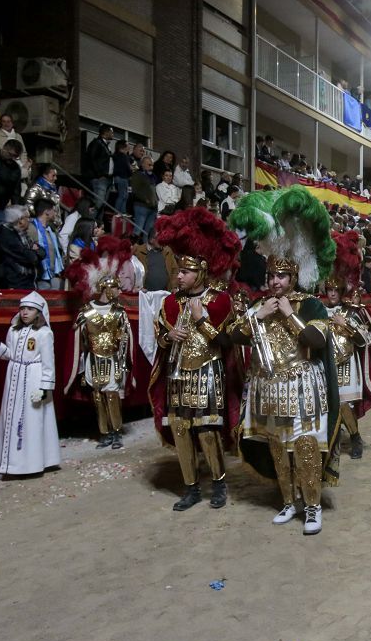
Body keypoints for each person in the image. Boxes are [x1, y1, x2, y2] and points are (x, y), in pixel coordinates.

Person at [227, 184, 340, 534]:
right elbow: (231, 337)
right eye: (272, 275)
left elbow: (317, 339)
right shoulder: (259, 305)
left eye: (282, 276)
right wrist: (257, 316)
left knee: (305, 446)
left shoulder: (311, 304)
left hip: (304, 387)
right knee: (278, 446)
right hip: (268, 387)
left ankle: (312, 507)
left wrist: (290, 314)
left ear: (294, 276)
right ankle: (288, 502)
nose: (275, 281)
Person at [151, 208, 242, 511]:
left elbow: (228, 341)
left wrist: (202, 321)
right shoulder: (168, 302)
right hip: (178, 374)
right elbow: (160, 339)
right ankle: (190, 487)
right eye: (178, 271)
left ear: (200, 271)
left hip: (208, 372)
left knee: (206, 429)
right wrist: (168, 338)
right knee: (180, 427)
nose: (179, 275)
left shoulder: (220, 300)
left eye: (185, 272)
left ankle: (218, 481)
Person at [63, 253, 134, 450]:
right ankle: (104, 432)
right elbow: (77, 337)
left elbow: (127, 338)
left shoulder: (119, 312)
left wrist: (124, 360)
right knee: (98, 396)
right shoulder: (86, 311)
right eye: (116, 287)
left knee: (112, 395)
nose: (119, 290)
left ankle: (116, 431)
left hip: (113, 359)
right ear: (106, 288)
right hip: (93, 360)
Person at [0, 292, 61, 476]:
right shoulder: (13, 331)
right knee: (11, 418)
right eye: (22, 309)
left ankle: (32, 463)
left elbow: (48, 364)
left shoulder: (44, 333)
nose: (25, 312)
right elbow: (10, 355)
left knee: (31, 420)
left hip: (33, 379)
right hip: (14, 377)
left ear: (38, 312)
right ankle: (11, 462)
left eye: (30, 309)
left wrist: (45, 388)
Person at [324, 229, 371, 459]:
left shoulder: (352, 311)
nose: (332, 293)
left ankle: (355, 437)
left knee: (345, 405)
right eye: (329, 289)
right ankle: (331, 442)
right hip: (326, 363)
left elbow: (365, 339)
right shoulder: (320, 309)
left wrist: (344, 324)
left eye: (336, 289)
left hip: (347, 363)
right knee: (327, 407)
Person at [0, 205, 44, 290]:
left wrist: (35, 252)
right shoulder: (7, 236)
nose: (30, 220)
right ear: (20, 220)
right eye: (27, 217)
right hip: (16, 284)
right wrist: (35, 252)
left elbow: (42, 252)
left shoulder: (23, 233)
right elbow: (30, 257)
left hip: (29, 282)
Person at [27, 199, 64, 290]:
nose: (55, 214)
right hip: (40, 275)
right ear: (46, 212)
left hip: (52, 274)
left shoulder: (50, 230)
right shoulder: (32, 228)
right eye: (54, 211)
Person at [133, 227, 178, 292]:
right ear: (151, 240)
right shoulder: (138, 252)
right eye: (160, 238)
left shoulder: (167, 251)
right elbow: (133, 272)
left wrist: (174, 286)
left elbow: (175, 270)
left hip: (165, 293)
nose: (162, 240)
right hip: (145, 295)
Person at [84, 125, 114, 221]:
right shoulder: (96, 143)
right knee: (98, 202)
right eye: (111, 132)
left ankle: (97, 225)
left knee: (103, 204)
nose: (113, 134)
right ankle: (89, 223)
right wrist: (99, 174)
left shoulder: (105, 145)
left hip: (107, 179)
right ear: (105, 132)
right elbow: (91, 159)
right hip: (100, 179)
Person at [130, 156, 157, 237]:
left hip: (152, 208)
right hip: (141, 207)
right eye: (149, 165)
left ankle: (146, 249)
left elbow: (153, 192)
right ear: (142, 165)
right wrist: (146, 200)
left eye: (152, 165)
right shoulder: (138, 175)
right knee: (138, 230)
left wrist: (156, 202)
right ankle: (132, 248)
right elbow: (135, 191)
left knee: (148, 233)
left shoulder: (153, 177)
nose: (151, 167)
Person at [111, 141, 133, 216]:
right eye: (127, 145)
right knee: (123, 195)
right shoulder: (123, 156)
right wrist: (131, 173)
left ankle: (122, 212)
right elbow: (127, 167)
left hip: (119, 178)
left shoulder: (116, 156)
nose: (129, 147)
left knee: (124, 195)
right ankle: (117, 211)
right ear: (122, 147)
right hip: (122, 178)